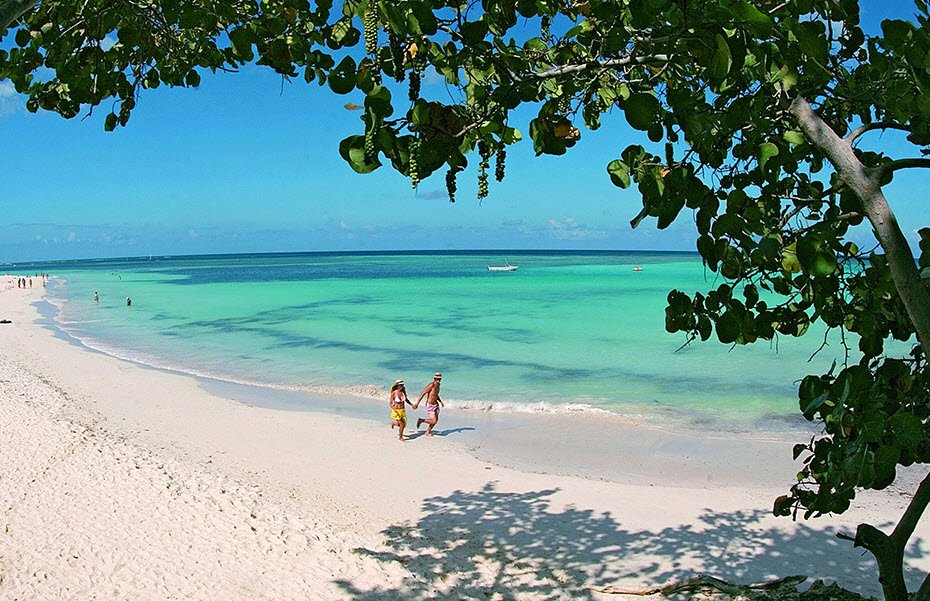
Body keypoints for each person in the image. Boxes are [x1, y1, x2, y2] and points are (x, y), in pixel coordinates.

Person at [416, 372, 444, 436]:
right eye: (437, 378)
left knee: (435, 420)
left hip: (436, 404)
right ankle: (421, 420)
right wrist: (417, 403)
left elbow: (436, 395)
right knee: (434, 421)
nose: (439, 380)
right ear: (434, 378)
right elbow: (423, 393)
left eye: (439, 378)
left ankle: (427, 432)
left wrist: (440, 401)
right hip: (430, 405)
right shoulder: (431, 385)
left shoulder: (438, 385)